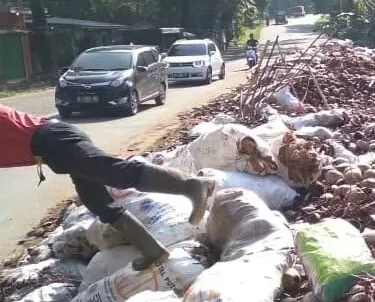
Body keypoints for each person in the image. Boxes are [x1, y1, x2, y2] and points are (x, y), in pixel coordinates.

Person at [0, 104, 215, 270]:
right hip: (51, 151)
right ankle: (152, 250)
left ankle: (192, 185)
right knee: (98, 203)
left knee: (114, 173)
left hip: (54, 140)